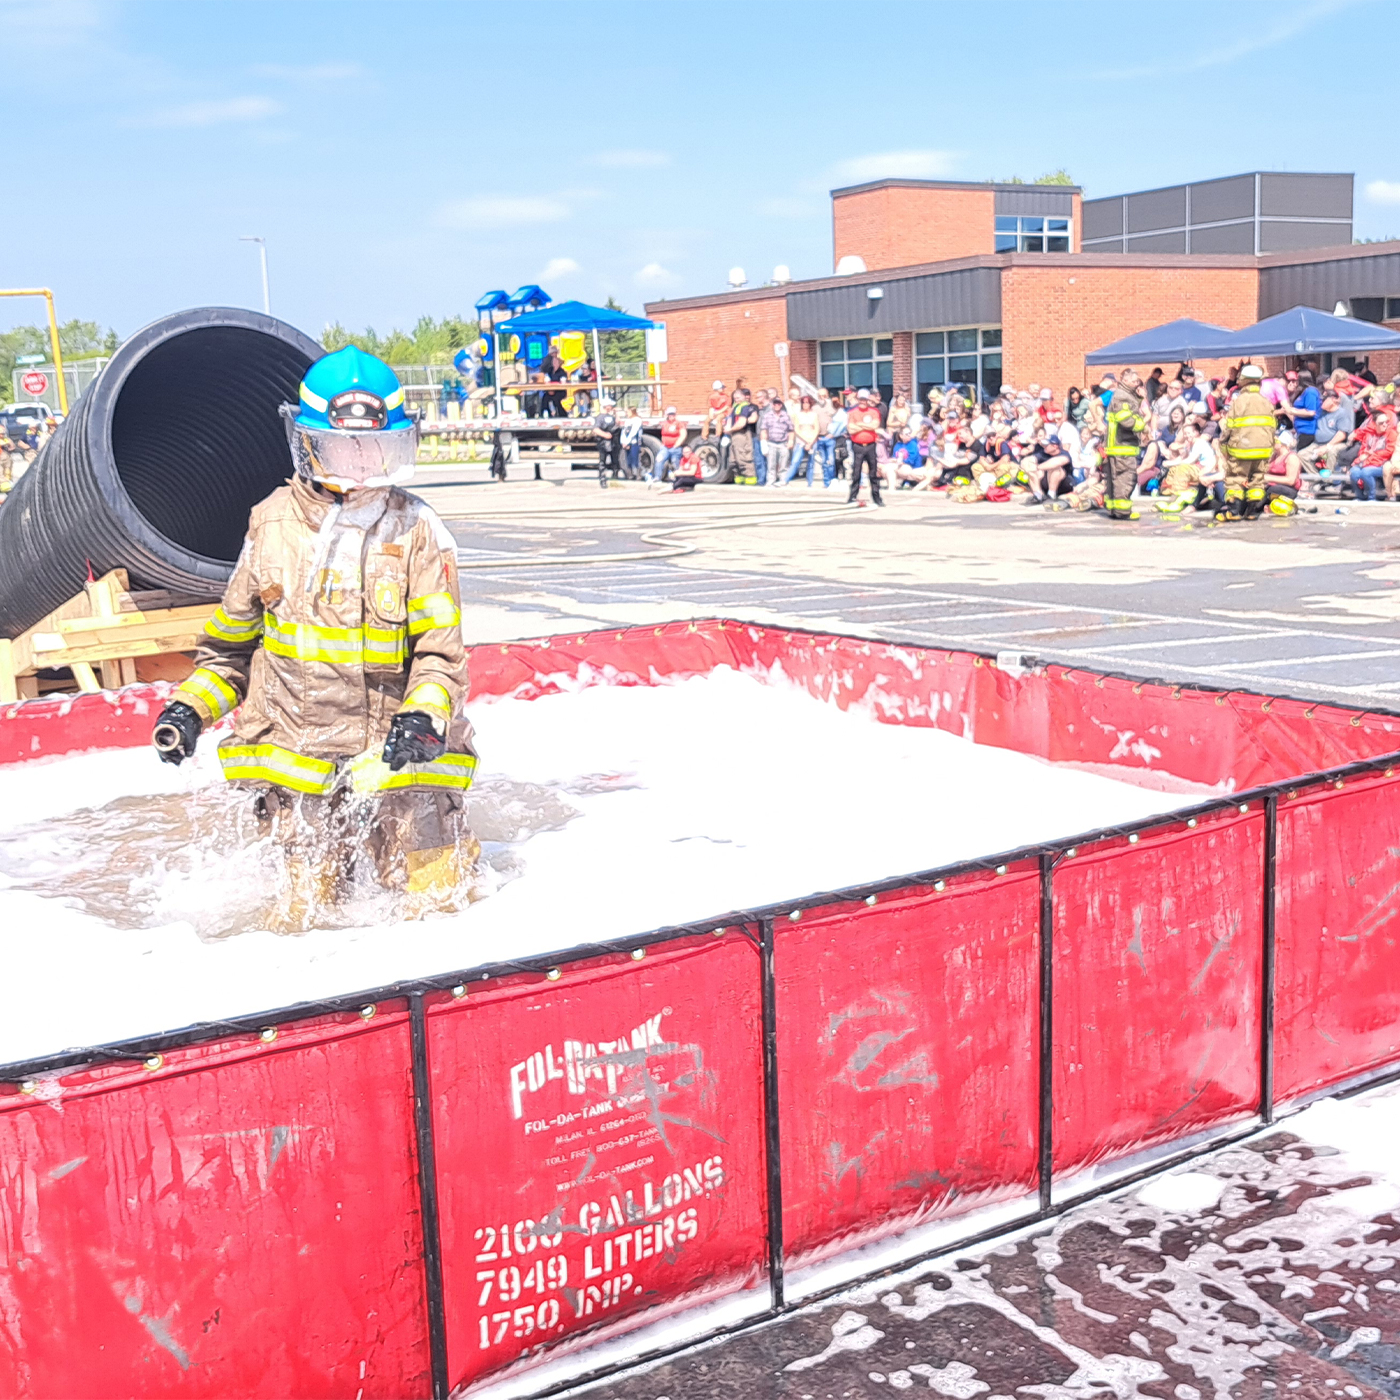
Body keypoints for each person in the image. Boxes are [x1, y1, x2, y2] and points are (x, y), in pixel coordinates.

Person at [150, 346, 478, 931]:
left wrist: (425, 718)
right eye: (342, 447)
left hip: (400, 761)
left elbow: (441, 654)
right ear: (306, 442)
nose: (359, 463)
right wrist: (190, 709)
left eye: (374, 447)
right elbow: (232, 646)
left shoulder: (419, 529)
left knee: (437, 909)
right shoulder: (270, 524)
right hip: (301, 770)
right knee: (307, 919)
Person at [1218, 364, 1275, 519]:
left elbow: (1229, 427)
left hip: (1241, 449)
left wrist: (1223, 444)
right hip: (1263, 450)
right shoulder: (1267, 402)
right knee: (1257, 480)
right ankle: (1252, 512)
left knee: (1235, 479)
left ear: (1243, 380)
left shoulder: (1239, 402)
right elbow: (1272, 427)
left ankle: (1234, 511)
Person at [1103, 369, 1148, 520]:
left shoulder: (1125, 395)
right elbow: (1126, 420)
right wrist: (1142, 425)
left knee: (1114, 479)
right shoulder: (1122, 396)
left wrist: (1140, 399)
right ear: (1126, 381)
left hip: (1117, 446)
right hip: (1122, 446)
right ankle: (1122, 512)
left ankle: (1113, 510)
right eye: (1135, 381)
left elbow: (1130, 409)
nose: (1137, 384)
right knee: (1125, 478)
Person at [845, 389, 884, 505]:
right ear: (858, 399)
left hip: (871, 445)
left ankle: (877, 498)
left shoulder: (874, 411)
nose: (863, 402)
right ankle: (852, 496)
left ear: (868, 400)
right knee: (856, 473)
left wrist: (859, 425)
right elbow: (850, 429)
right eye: (861, 399)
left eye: (865, 400)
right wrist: (867, 426)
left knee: (873, 473)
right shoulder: (852, 412)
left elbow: (875, 425)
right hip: (857, 446)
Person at [1264, 430, 1306, 514]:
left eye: (1275, 441)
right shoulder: (1274, 456)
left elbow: (1291, 480)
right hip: (1271, 486)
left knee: (1270, 490)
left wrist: (1268, 478)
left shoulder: (1291, 458)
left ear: (1283, 444)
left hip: (1287, 489)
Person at [724, 389, 760, 484]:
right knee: (733, 459)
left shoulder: (746, 407)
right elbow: (729, 419)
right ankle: (739, 476)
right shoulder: (735, 407)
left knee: (743, 456)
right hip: (733, 434)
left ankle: (750, 477)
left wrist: (730, 429)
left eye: (738, 397)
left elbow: (742, 422)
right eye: (735, 398)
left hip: (742, 433)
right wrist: (727, 428)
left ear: (744, 397)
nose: (736, 399)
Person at [787, 394, 823, 485]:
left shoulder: (814, 415)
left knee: (811, 463)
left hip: (812, 440)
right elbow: (796, 429)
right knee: (795, 461)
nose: (805, 404)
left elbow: (816, 429)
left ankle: (809, 482)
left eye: (807, 403)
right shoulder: (798, 415)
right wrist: (806, 440)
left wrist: (811, 442)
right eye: (803, 403)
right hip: (801, 441)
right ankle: (785, 480)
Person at [758, 392, 793, 487]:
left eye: (778, 404)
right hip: (771, 443)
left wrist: (790, 441)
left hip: (783, 443)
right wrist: (763, 444)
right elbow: (764, 430)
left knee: (784, 464)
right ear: (772, 405)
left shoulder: (786, 416)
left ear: (781, 405)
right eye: (775, 404)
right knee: (771, 464)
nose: (777, 405)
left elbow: (791, 430)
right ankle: (770, 482)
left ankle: (783, 481)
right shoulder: (767, 415)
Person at [651, 406, 686, 484]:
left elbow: (683, 434)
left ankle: (677, 479)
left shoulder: (679, 423)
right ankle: (657, 477)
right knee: (659, 459)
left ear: (675, 414)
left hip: (675, 448)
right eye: (670, 414)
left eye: (673, 414)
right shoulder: (665, 423)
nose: (671, 416)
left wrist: (677, 444)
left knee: (675, 463)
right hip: (665, 447)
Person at [593, 396, 620, 488]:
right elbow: (596, 429)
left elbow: (618, 423)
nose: (612, 407)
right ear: (606, 406)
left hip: (613, 442)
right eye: (610, 405)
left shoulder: (611, 416)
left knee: (615, 460)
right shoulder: (600, 417)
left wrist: (616, 413)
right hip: (603, 442)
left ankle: (615, 476)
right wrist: (605, 435)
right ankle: (602, 479)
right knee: (602, 462)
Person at [620, 406, 645, 479]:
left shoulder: (637, 420)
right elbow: (624, 432)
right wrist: (623, 442)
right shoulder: (627, 421)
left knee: (635, 458)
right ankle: (630, 474)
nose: (626, 413)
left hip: (634, 442)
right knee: (628, 458)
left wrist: (628, 442)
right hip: (627, 443)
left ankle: (638, 474)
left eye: (627, 412)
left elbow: (634, 432)